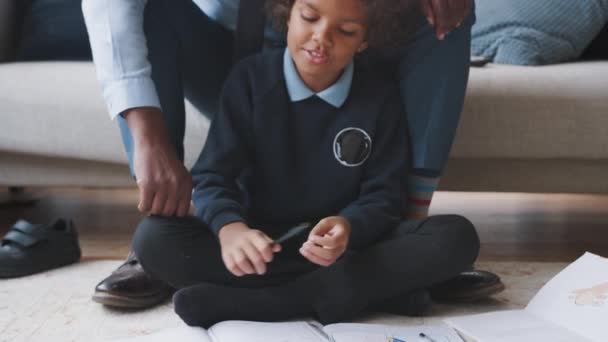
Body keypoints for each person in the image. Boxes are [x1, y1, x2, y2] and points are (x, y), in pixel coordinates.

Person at [82, 0, 502, 309]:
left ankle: (388, 251)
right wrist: (230, 228)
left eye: (344, 32)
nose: (322, 36)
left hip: (342, 236)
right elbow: (214, 176)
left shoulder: (378, 96)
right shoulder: (248, 83)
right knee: (157, 240)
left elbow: (381, 193)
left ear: (363, 41)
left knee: (454, 237)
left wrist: (352, 227)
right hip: (234, 38)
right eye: (311, 19)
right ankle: (377, 283)